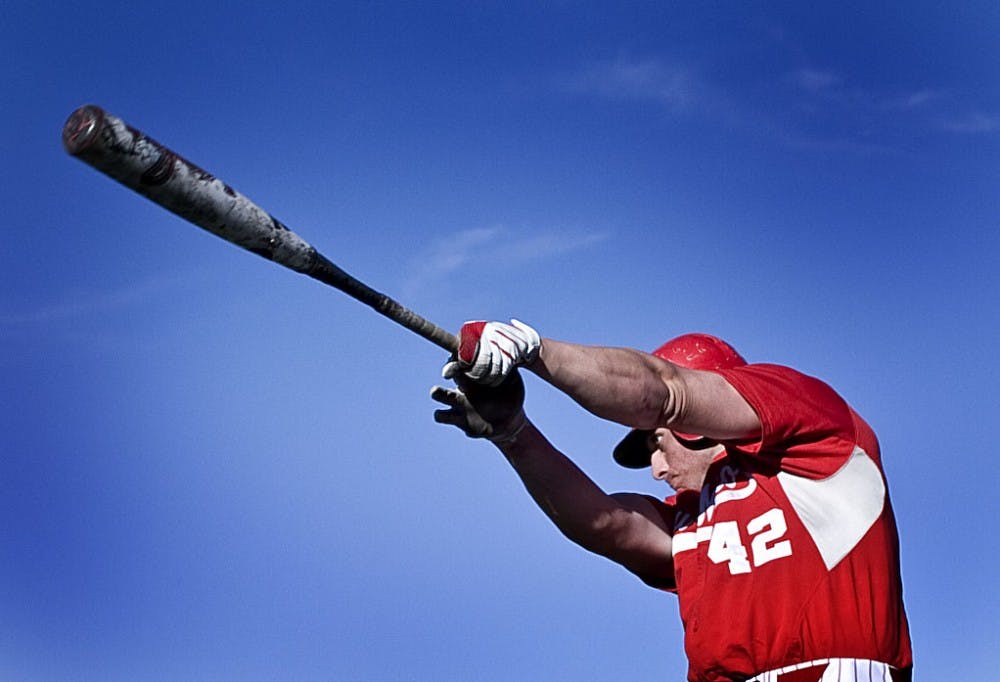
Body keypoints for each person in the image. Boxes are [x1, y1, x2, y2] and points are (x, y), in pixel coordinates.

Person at [431, 320, 913, 682]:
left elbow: (665, 392)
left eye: (655, 443)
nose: (657, 469)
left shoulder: (817, 435)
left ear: (697, 425)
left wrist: (532, 350)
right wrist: (514, 432)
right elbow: (605, 524)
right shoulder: (692, 516)